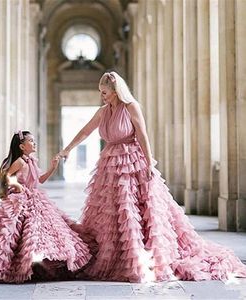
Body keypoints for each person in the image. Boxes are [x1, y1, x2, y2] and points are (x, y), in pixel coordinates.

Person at [58, 71, 246, 283]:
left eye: (105, 92)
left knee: (134, 208)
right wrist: (67, 149)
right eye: (101, 92)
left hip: (132, 162)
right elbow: (85, 131)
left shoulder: (131, 107)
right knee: (112, 211)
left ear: (115, 91)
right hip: (109, 165)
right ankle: (116, 253)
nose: (102, 96)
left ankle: (139, 255)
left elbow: (142, 135)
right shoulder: (103, 112)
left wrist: (149, 163)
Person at [0, 130, 91, 283]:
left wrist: (52, 167)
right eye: (31, 141)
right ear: (22, 146)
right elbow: (6, 176)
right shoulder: (20, 162)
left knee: (44, 231)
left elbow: (40, 180)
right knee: (13, 232)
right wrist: (17, 185)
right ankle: (12, 262)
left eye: (34, 141)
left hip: (36, 198)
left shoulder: (32, 161)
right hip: (21, 200)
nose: (34, 143)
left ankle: (39, 263)